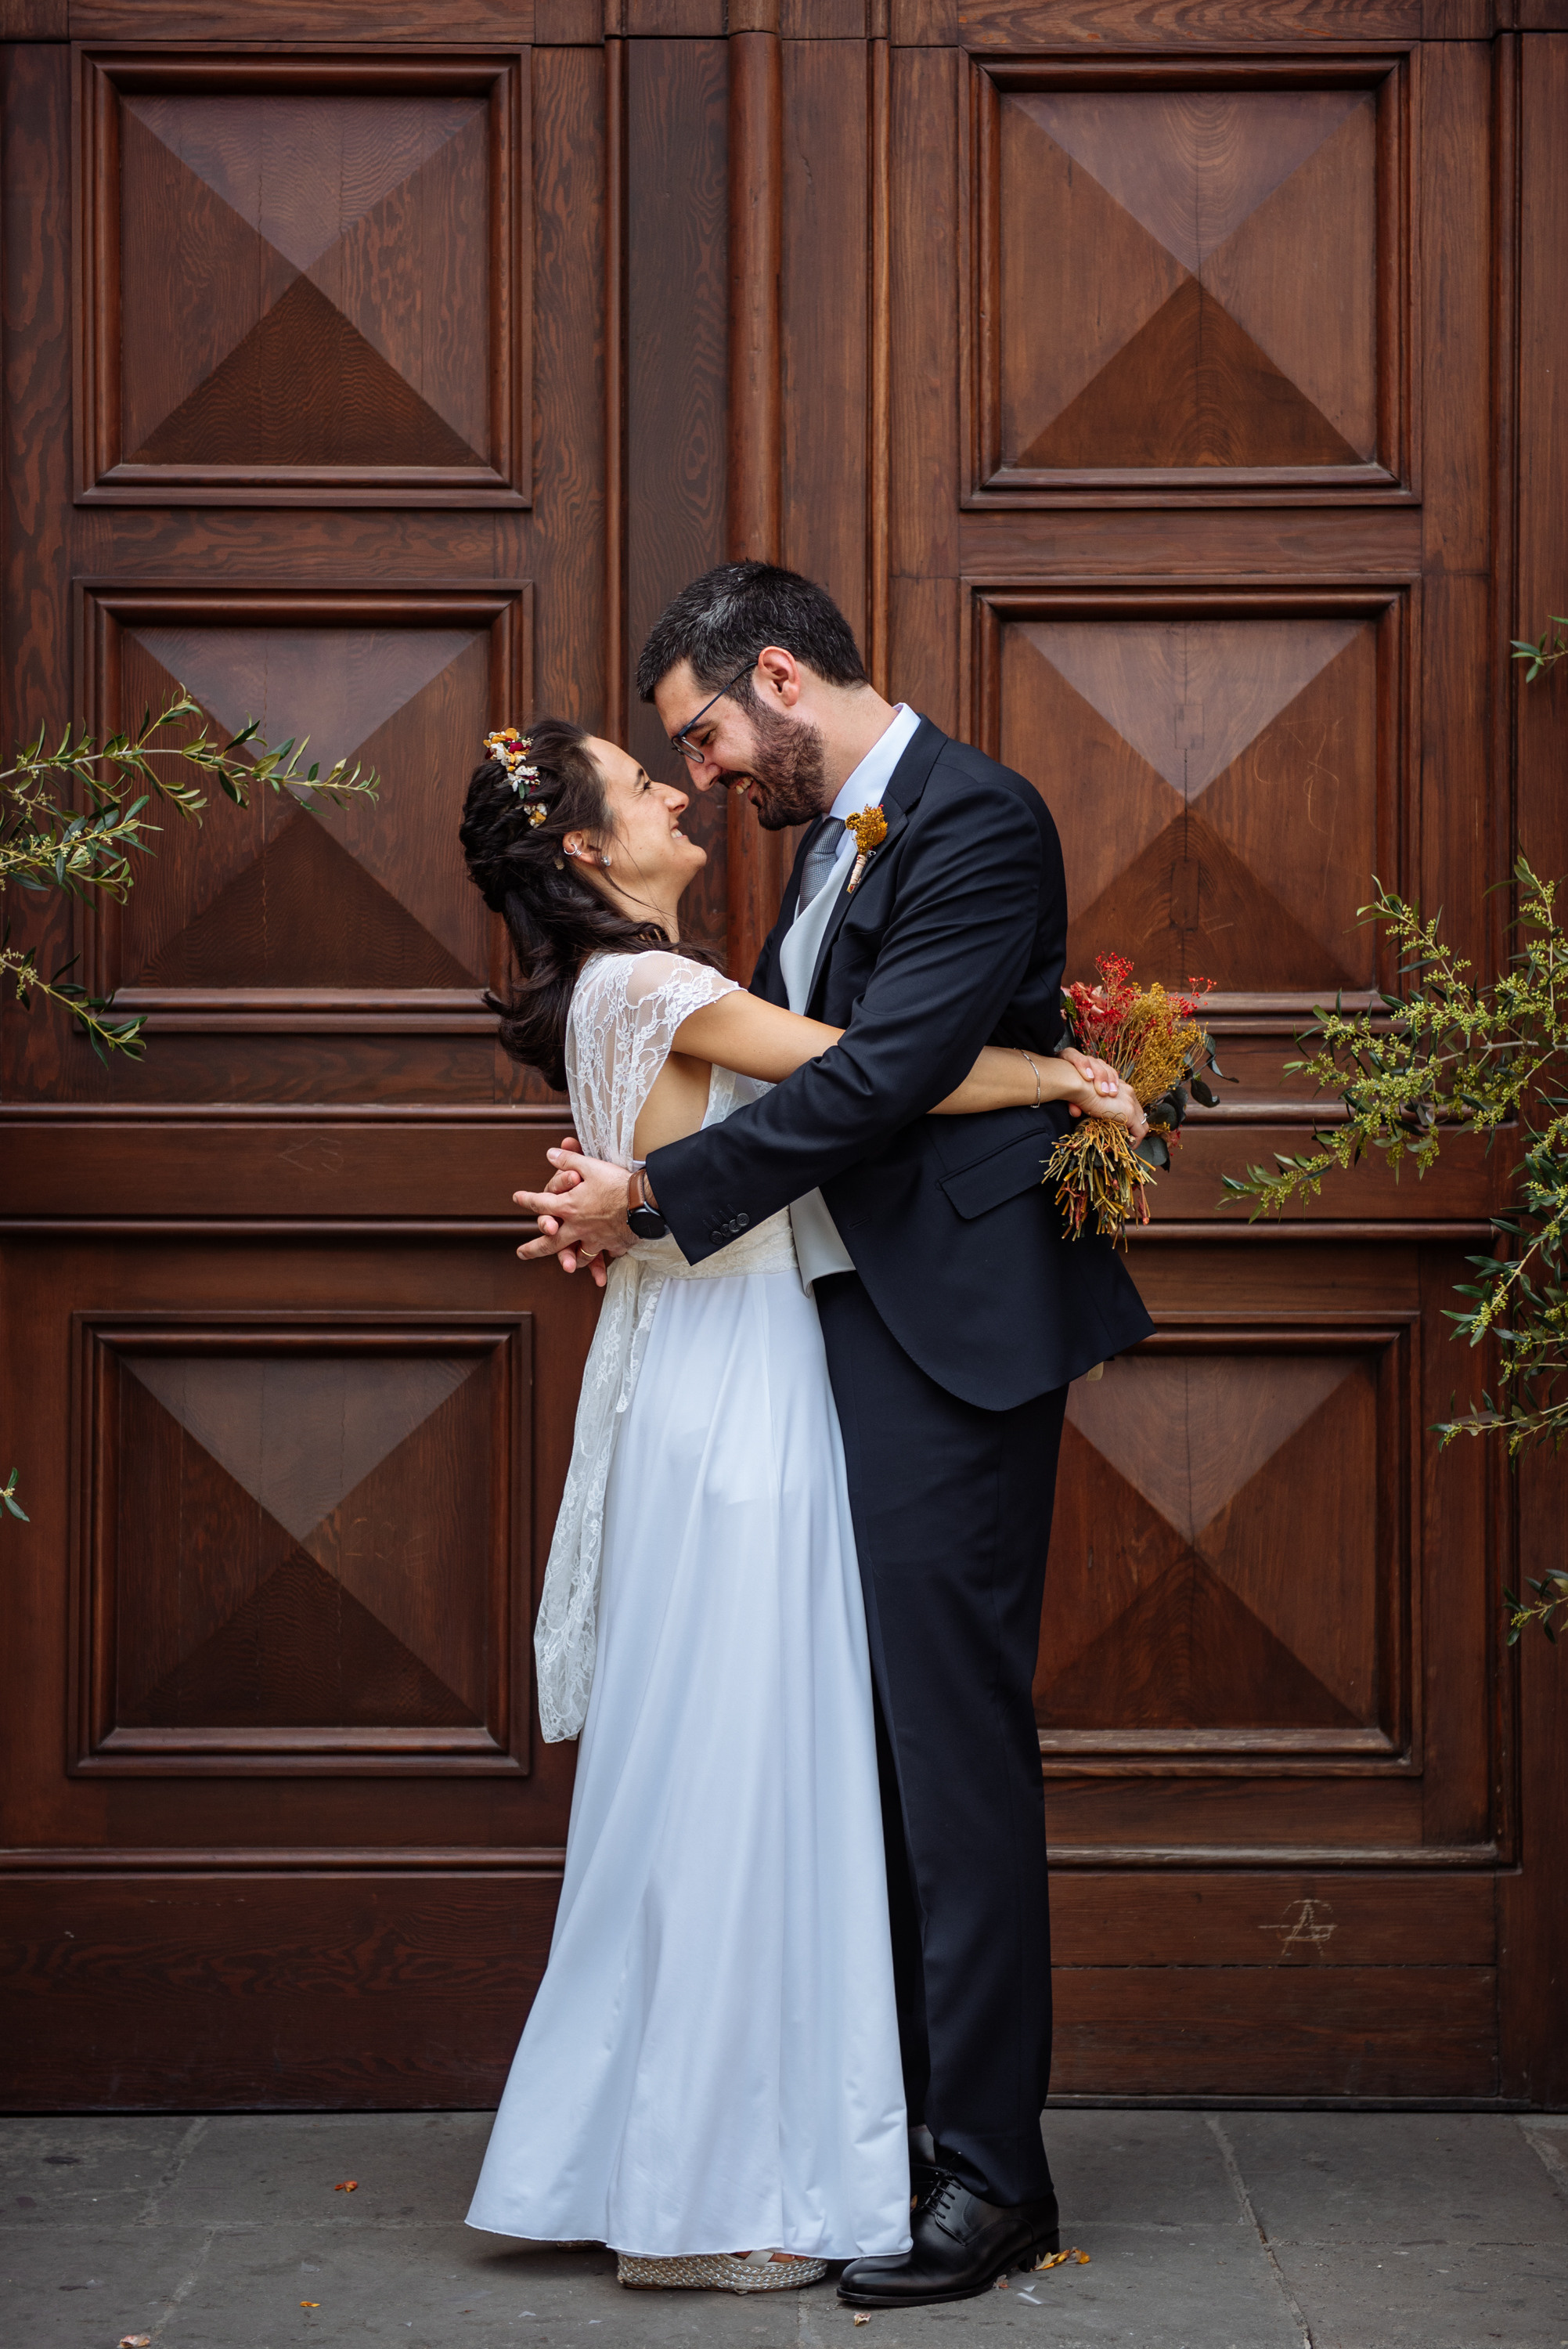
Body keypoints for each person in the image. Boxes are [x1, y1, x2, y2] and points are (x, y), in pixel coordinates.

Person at [511, 564, 1157, 2310]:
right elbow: (826, 1070)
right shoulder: (817, 847)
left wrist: (652, 1197)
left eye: (706, 733)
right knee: (853, 1764)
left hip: (947, 1346)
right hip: (823, 1342)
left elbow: (880, 1074)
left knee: (948, 1759)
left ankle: (991, 2179)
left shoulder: (976, 820)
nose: (703, 773)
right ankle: (870, 2131)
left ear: (781, 677)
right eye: (676, 759)